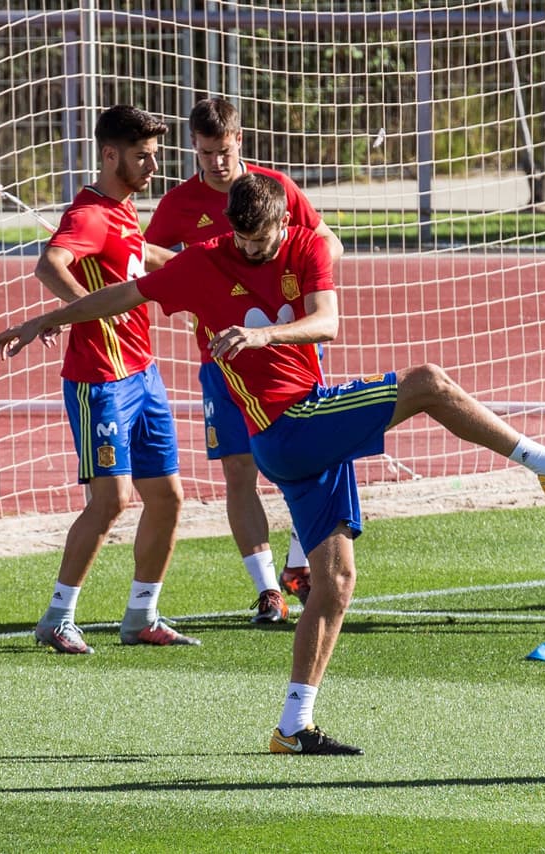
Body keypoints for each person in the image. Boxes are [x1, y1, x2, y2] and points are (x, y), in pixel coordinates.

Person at [0, 173, 545, 754]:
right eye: (239, 237)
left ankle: (292, 725)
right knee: (429, 381)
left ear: (282, 225)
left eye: (260, 238)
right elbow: (118, 295)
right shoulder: (204, 262)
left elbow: (327, 322)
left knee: (335, 584)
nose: (249, 249)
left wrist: (262, 335)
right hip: (289, 427)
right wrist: (40, 320)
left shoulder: (306, 245)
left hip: (309, 427)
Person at [144, 97, 343, 623]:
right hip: (223, 361)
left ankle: (299, 565)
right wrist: (198, 270)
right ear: (194, 147)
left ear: (240, 140)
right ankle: (266, 591)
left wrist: (303, 283)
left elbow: (328, 243)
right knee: (239, 470)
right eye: (205, 152)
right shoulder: (179, 204)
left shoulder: (274, 190)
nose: (215, 162)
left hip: (288, 354)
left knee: (311, 460)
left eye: (224, 150)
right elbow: (145, 257)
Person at [28, 104, 196, 655]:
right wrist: (86, 310)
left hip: (143, 374)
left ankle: (142, 615)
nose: (152, 167)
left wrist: (189, 269)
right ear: (109, 154)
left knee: (167, 497)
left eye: (155, 155)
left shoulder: (122, 209)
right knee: (112, 500)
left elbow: (132, 253)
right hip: (99, 379)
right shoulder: (90, 213)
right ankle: (58, 616)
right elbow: (50, 265)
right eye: (142, 157)